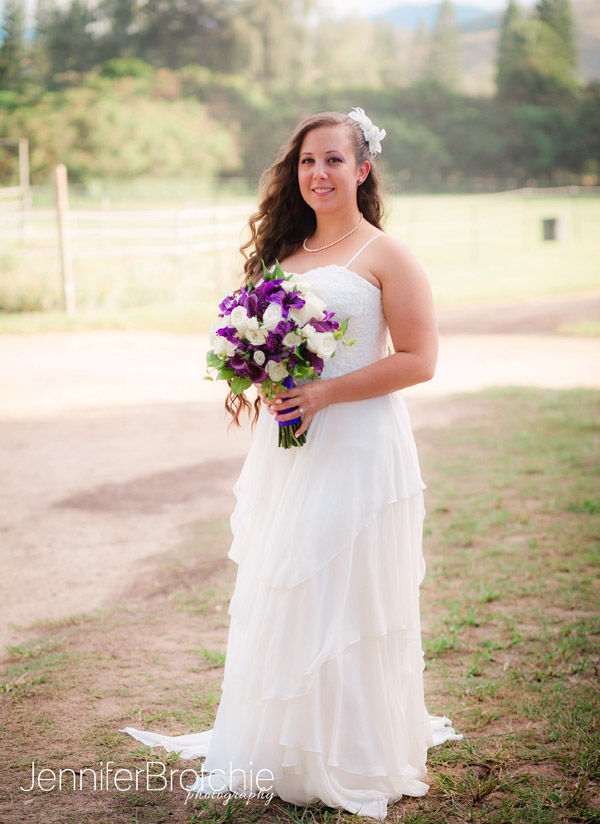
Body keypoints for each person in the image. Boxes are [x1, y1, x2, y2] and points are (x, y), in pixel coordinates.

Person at [121, 108, 462, 820]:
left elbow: (421, 359)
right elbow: (274, 349)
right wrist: (265, 374)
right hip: (291, 445)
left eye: (334, 160)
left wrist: (326, 392)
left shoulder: (385, 255)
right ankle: (286, 742)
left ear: (362, 170)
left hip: (361, 443)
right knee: (291, 583)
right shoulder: (285, 258)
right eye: (308, 161)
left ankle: (352, 749)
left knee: (345, 587)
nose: (319, 174)